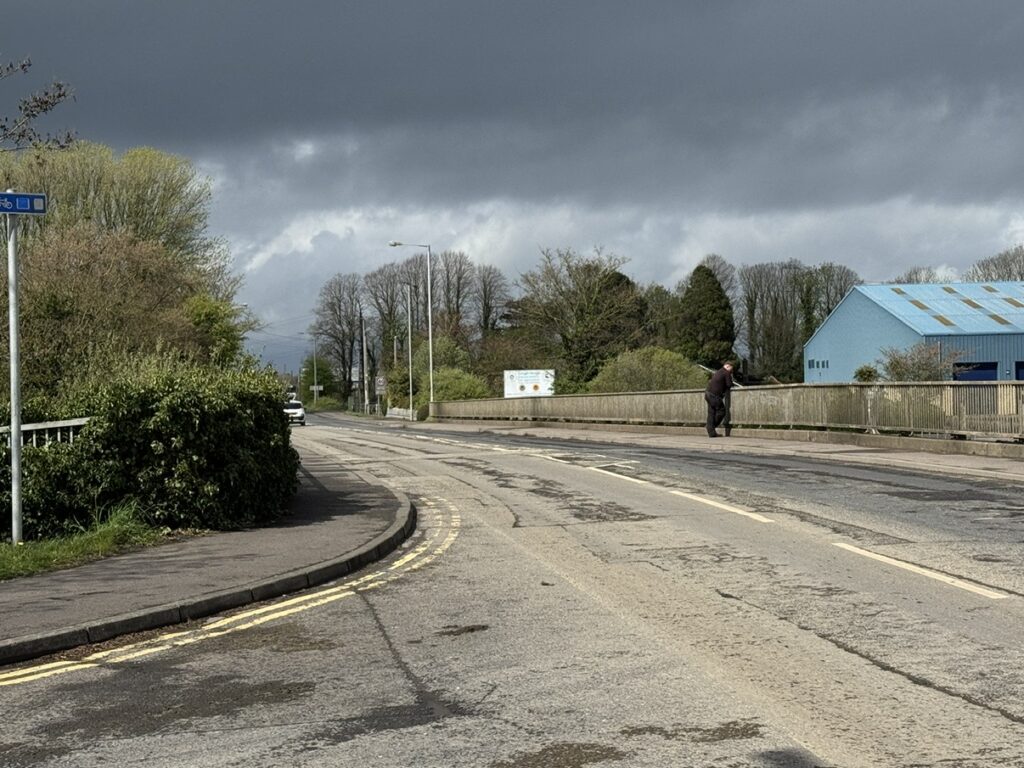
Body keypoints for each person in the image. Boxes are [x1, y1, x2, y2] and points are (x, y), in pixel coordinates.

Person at [705, 361, 734, 438]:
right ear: (728, 366)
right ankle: (710, 427)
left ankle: (712, 433)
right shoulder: (726, 373)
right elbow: (729, 384)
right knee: (721, 411)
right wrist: (731, 380)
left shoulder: (718, 371)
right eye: (731, 369)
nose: (731, 371)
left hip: (708, 393)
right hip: (715, 395)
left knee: (711, 413)